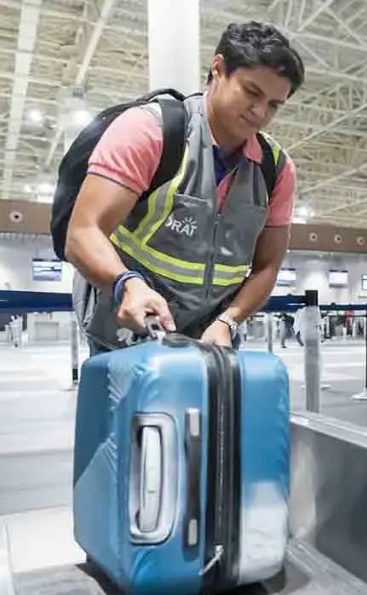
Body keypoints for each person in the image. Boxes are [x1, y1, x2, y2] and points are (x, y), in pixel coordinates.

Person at [66, 21, 304, 354]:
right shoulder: (151, 131)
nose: (261, 112)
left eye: (274, 104)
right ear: (218, 69)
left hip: (211, 340)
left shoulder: (275, 169)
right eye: (252, 92)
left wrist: (228, 321)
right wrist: (127, 284)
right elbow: (83, 232)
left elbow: (267, 266)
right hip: (130, 329)